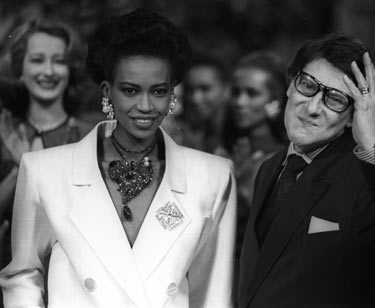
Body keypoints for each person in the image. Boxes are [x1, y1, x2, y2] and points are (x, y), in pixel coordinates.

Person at [0, 9, 236, 308]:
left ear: (172, 94)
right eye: (130, 90)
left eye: (159, 91)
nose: (146, 105)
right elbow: (22, 277)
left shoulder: (212, 176)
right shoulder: (45, 171)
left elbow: (214, 293)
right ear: (107, 92)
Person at [237, 33, 375, 308]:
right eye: (307, 85)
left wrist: (372, 145)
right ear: (290, 84)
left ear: (352, 117)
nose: (312, 107)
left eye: (335, 100)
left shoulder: (370, 176)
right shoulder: (270, 168)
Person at [0, 19, 97, 272]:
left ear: (71, 70)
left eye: (59, 61)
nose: (49, 71)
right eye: (37, 60)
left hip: (74, 274)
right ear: (19, 67)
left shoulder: (91, 134)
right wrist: (20, 170)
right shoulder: (4, 132)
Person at [224, 51, 288, 279]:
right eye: (236, 92)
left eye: (252, 94)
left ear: (275, 100)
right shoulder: (228, 148)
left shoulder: (282, 159)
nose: (240, 102)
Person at [178, 55, 231, 154]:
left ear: (226, 89)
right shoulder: (182, 131)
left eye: (205, 89)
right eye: (190, 89)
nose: (195, 98)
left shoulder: (240, 136)